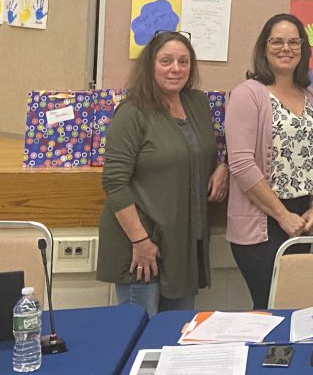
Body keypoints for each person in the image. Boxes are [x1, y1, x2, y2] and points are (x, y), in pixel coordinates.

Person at [97, 31, 229, 317]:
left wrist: (222, 166)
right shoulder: (132, 112)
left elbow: (203, 149)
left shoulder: (197, 103)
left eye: (183, 61)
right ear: (150, 65)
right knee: (138, 337)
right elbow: (114, 181)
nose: (176, 68)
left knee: (174, 334)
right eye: (166, 60)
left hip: (182, 245)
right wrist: (140, 241)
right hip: (143, 247)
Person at [225, 13, 313, 309]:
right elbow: (242, 164)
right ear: (264, 47)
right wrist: (282, 215)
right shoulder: (248, 94)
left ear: (303, 48)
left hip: (303, 219)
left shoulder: (310, 97)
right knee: (269, 309)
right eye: (277, 41)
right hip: (263, 222)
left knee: (296, 310)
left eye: (294, 42)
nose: (286, 48)